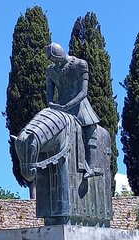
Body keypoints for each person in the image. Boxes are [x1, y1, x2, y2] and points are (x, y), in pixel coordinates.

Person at [45, 42, 101, 177]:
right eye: (52, 61)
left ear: (60, 54)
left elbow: (83, 92)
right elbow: (49, 93)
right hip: (60, 109)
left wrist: (67, 106)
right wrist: (52, 104)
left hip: (80, 106)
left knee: (90, 132)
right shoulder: (50, 70)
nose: (54, 63)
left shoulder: (80, 64)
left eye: (55, 59)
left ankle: (91, 167)